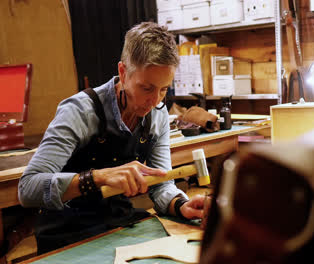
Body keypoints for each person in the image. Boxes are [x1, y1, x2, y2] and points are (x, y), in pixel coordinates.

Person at [18, 22, 206, 254]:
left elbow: (161, 184)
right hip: (68, 234)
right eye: (147, 88)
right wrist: (97, 177)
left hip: (118, 227)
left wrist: (181, 204)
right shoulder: (79, 111)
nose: (155, 100)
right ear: (123, 73)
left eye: (164, 89)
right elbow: (28, 189)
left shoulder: (156, 115)